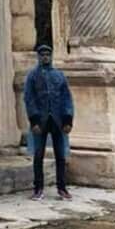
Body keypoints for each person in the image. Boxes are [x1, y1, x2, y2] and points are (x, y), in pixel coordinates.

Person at [23, 43, 74, 201]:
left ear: (51, 56)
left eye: (47, 54)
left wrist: (67, 119)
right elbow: (29, 99)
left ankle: (62, 188)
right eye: (42, 54)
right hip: (40, 121)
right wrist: (34, 121)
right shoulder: (32, 76)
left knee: (60, 155)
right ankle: (38, 188)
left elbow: (67, 98)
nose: (45, 57)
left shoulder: (59, 75)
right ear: (38, 57)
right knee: (39, 155)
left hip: (57, 120)